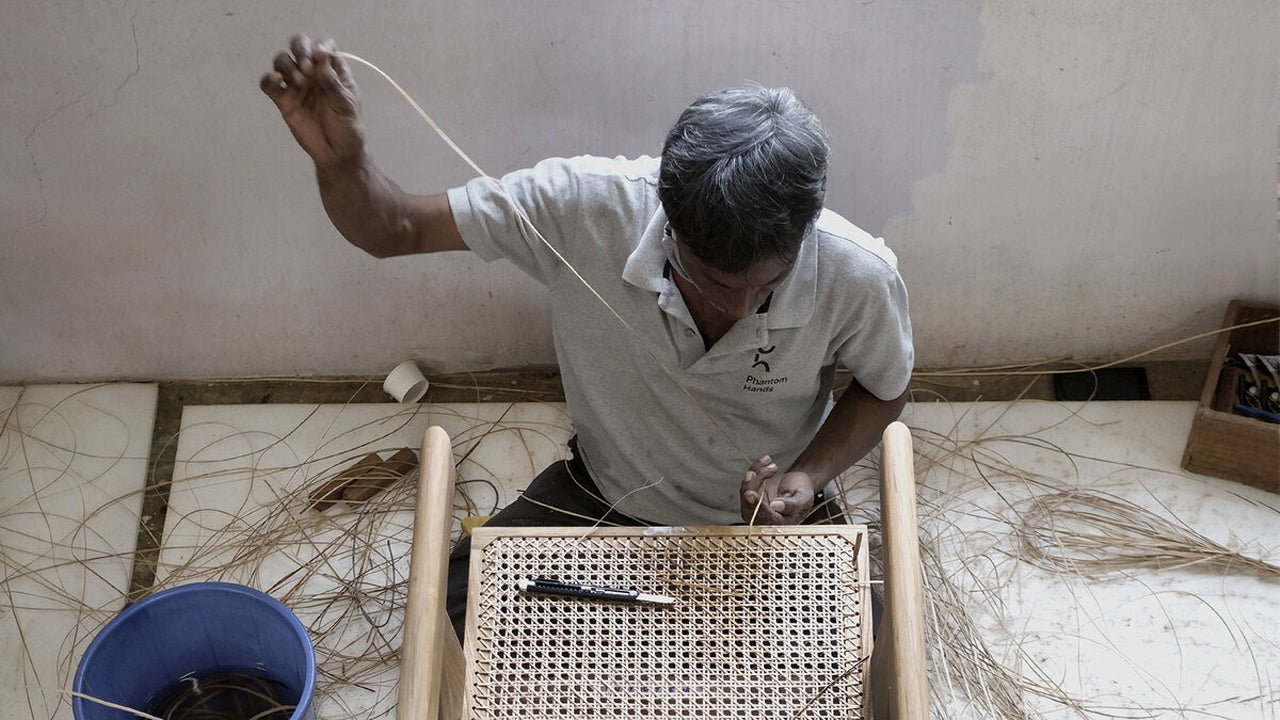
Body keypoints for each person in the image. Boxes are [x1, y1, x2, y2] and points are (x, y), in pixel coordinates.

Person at [262, 35, 914, 640]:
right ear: (669, 221)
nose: (739, 308)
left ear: (801, 239)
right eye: (710, 279)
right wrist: (343, 164)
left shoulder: (858, 273)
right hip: (608, 493)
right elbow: (394, 229)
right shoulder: (585, 208)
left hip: (768, 523)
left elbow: (885, 391)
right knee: (457, 612)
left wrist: (805, 478)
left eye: (764, 286)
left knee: (872, 651)